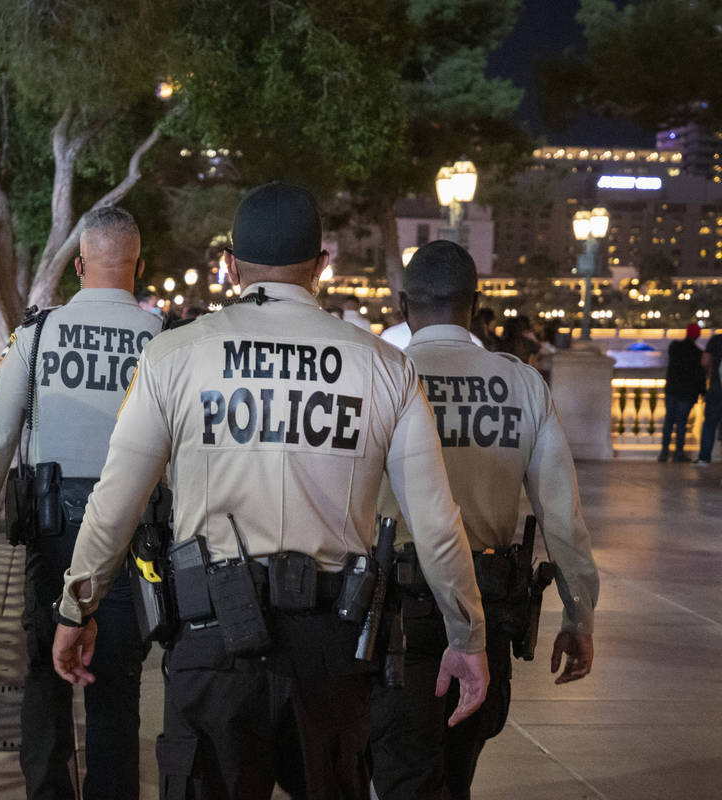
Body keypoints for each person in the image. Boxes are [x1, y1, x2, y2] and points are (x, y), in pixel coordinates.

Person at [52, 183, 489, 800]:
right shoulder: (385, 367)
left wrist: (78, 606)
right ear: (321, 266)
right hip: (334, 650)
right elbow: (439, 526)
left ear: (230, 265)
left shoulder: (174, 355)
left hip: (211, 640)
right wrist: (467, 637)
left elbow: (114, 504)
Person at [371, 240, 599, 800]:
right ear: (474, 304)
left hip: (388, 609)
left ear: (405, 305)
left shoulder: (380, 375)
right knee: (458, 772)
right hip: (486, 606)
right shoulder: (521, 384)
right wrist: (580, 613)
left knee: (400, 770)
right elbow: (562, 518)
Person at [0, 206, 162, 800]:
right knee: (115, 682)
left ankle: (47, 792)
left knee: (47, 675)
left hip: (51, 526)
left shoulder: (39, 334)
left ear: (78, 265)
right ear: (140, 267)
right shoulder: (161, 338)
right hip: (132, 532)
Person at [660, 323, 706, 462]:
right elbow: (700, 375)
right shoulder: (698, 353)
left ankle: (664, 452)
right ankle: (679, 453)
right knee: (681, 423)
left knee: (668, 421)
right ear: (697, 336)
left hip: (672, 390)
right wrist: (703, 392)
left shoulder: (674, 347)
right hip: (687, 393)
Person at [694, 331, 722, 464]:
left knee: (709, 424)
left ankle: (704, 458)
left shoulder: (716, 339)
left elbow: (704, 361)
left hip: (716, 387)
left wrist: (711, 371)